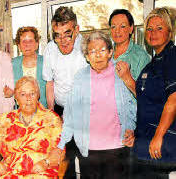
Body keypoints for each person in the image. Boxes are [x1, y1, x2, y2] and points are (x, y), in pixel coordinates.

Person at [56, 31, 136, 179]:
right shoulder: (80, 78)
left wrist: (131, 128)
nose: (97, 55)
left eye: (102, 50)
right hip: (88, 149)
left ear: (110, 52)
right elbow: (70, 114)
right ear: (86, 56)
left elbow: (131, 105)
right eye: (92, 51)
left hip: (116, 147)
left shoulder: (121, 73)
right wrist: (62, 144)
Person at [0, 76, 63, 178]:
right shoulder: (7, 119)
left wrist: (46, 162)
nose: (28, 98)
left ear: (38, 96)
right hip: (10, 172)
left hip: (41, 172)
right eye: (23, 94)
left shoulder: (51, 118)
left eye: (32, 93)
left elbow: (61, 150)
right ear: (16, 99)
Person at [42, 6, 87, 178]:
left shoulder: (87, 47)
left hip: (84, 112)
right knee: (63, 161)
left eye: (67, 33)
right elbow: (49, 83)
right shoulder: (49, 49)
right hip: (60, 110)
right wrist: (53, 115)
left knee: (86, 161)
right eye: (57, 35)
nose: (63, 41)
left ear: (77, 29)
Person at [133, 7, 176, 179]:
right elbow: (146, 99)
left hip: (164, 143)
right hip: (146, 139)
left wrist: (159, 136)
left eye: (159, 28)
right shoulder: (152, 64)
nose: (153, 33)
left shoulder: (172, 57)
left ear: (170, 32)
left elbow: (174, 99)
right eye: (149, 29)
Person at [108, 9, 150, 96]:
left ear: (131, 29)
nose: (117, 31)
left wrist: (128, 78)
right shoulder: (104, 53)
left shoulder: (141, 56)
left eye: (122, 26)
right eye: (113, 27)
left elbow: (146, 96)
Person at [12, 26, 47, 108]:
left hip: (43, 112)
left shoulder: (46, 62)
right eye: (24, 41)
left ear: (36, 44)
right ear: (19, 46)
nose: (27, 45)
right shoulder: (12, 64)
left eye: (30, 41)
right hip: (20, 113)